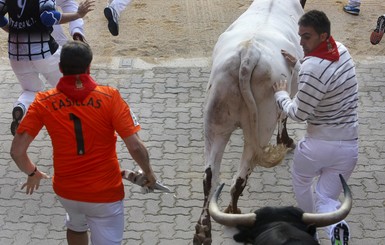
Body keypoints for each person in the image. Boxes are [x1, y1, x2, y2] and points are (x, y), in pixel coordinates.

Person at [10, 41, 158, 244]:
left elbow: (17, 151)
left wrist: (32, 173)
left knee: (76, 225)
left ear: (60, 68)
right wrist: (148, 172)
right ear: (89, 67)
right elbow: (135, 146)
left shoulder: (43, 102)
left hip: (67, 191)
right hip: (105, 194)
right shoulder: (110, 97)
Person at [273, 10, 358, 245]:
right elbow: (325, 82)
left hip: (317, 147)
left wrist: (281, 94)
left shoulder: (313, 69)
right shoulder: (342, 50)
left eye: (306, 37)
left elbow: (299, 113)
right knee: (325, 199)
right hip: (349, 149)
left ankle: (308, 227)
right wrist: (300, 64)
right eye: (300, 36)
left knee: (301, 180)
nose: (301, 42)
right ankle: (335, 229)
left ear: (322, 36)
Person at [0, 0, 94, 136]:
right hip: (44, 53)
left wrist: (11, 28)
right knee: (69, 85)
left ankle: (20, 107)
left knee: (30, 90)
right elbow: (48, 17)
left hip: (16, 53)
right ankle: (81, 123)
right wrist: (77, 15)